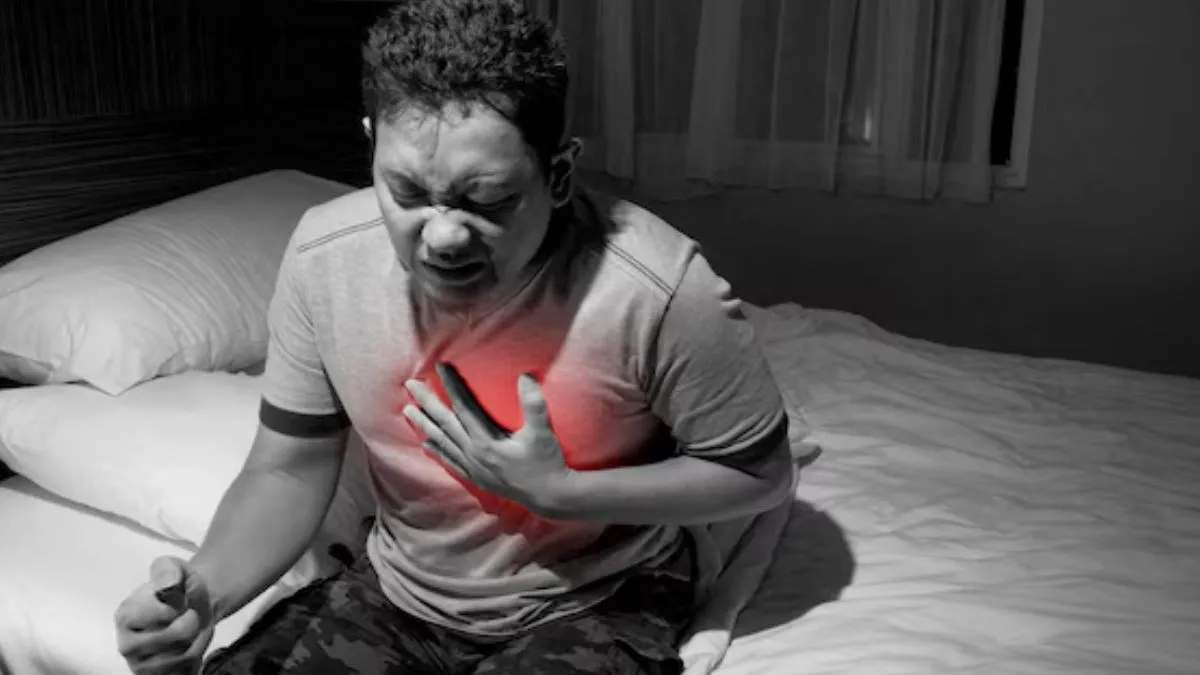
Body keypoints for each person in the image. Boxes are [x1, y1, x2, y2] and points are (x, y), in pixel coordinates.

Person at [113, 1, 794, 673]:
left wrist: (564, 493)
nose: (441, 236)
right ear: (371, 144)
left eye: (486, 200)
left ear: (558, 174)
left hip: (601, 597)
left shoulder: (657, 286)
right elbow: (288, 467)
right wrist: (205, 594)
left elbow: (760, 474)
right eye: (407, 193)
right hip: (398, 594)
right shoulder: (324, 259)